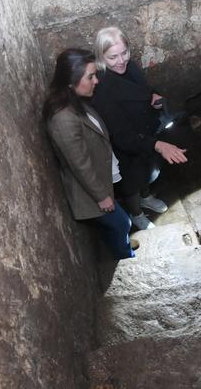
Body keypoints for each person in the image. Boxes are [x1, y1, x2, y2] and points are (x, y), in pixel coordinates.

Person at [44, 48, 137, 259]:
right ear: (71, 82)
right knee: (123, 222)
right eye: (91, 76)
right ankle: (126, 256)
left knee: (117, 224)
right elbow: (80, 164)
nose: (96, 81)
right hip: (90, 193)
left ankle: (118, 243)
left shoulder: (74, 102)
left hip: (99, 180)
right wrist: (102, 197)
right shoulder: (63, 119)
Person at [91, 26, 188, 230]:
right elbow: (120, 135)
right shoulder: (102, 88)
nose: (121, 61)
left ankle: (146, 197)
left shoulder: (131, 66)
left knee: (148, 172)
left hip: (147, 130)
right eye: (113, 57)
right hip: (128, 142)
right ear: (101, 57)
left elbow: (143, 89)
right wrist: (158, 145)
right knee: (132, 181)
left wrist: (152, 96)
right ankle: (136, 213)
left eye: (124, 53)